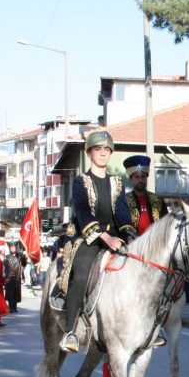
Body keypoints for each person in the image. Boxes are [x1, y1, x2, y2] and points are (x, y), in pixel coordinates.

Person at [60, 130, 125, 353]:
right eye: (98, 149)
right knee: (81, 277)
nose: (103, 153)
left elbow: (123, 213)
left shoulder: (117, 182)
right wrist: (105, 237)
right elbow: (83, 213)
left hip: (115, 237)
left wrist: (130, 235)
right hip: (88, 239)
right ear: (89, 153)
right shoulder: (81, 181)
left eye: (107, 149)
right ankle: (70, 331)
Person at [115, 155, 168, 240]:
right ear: (131, 179)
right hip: (132, 244)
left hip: (155, 242)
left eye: (143, 176)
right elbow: (121, 225)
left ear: (146, 178)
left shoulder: (158, 200)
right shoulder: (124, 201)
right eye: (137, 177)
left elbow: (165, 224)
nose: (140, 180)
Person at [4, 243, 22, 314]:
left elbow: (24, 263)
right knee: (10, 293)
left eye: (14, 248)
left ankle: (15, 307)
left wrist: (23, 256)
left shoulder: (19, 257)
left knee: (16, 293)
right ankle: (11, 308)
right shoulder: (7, 257)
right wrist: (5, 276)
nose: (12, 249)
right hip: (10, 278)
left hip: (17, 278)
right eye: (11, 248)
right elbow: (5, 268)